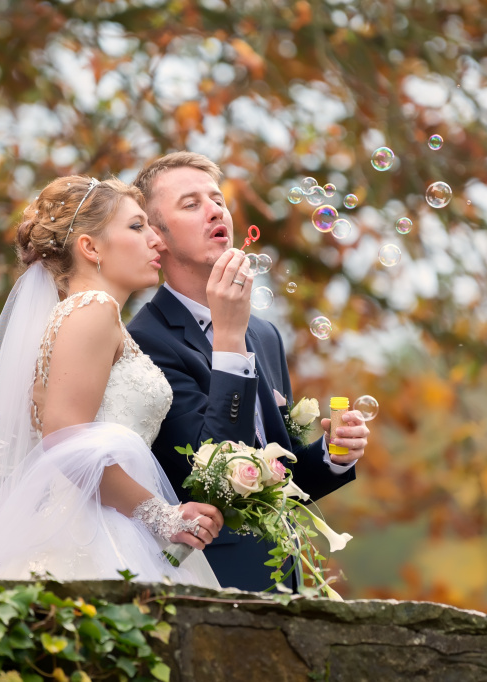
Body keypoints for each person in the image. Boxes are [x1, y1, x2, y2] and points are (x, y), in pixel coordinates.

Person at [127, 152, 370, 591]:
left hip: (282, 580)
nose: (215, 210)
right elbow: (212, 478)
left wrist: (332, 455)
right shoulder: (145, 340)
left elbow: (276, 481)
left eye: (218, 200)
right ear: (156, 237)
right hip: (207, 582)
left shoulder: (264, 333)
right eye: (191, 204)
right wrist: (229, 340)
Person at [0, 175, 222, 587]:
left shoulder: (87, 315)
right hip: (97, 536)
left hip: (101, 522)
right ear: (91, 247)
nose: (156, 240)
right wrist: (162, 516)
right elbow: (65, 439)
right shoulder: (93, 309)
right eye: (137, 226)